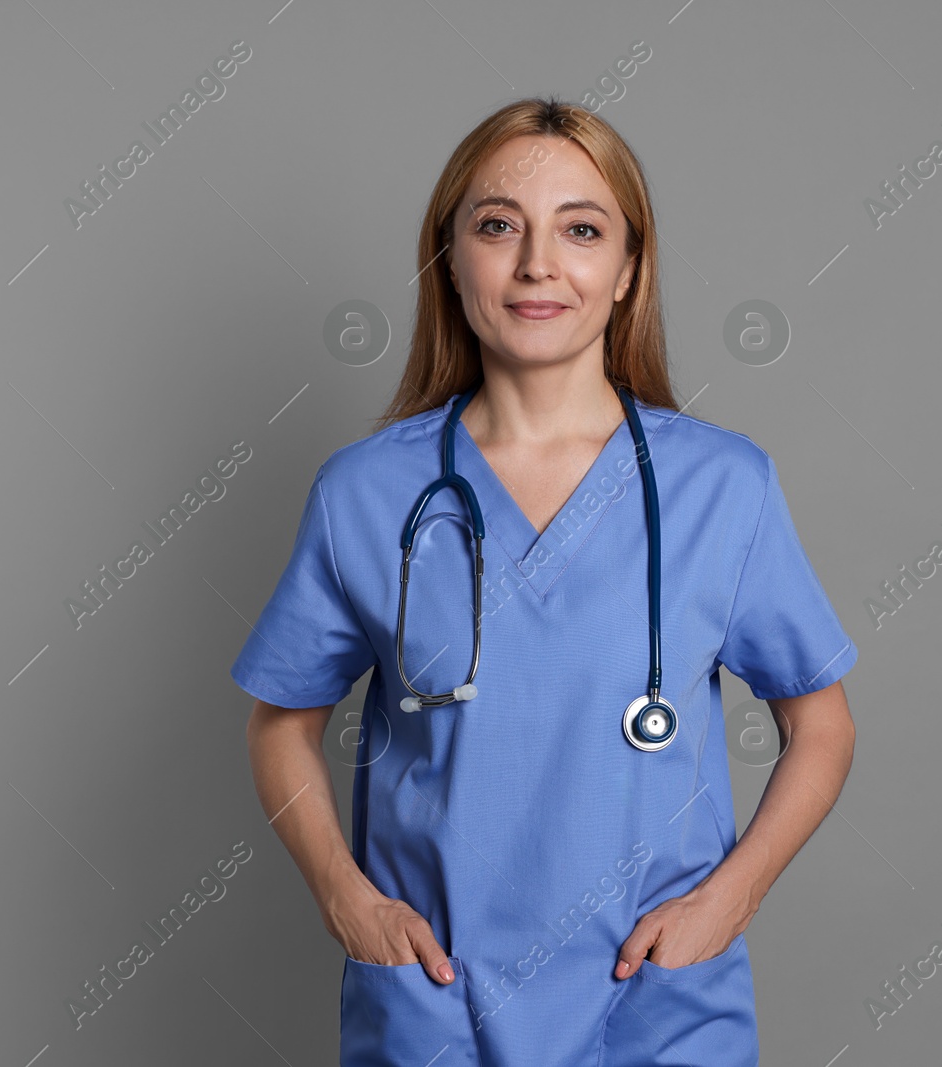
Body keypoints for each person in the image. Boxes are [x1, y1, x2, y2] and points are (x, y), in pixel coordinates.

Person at [231, 96, 858, 1066]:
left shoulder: (720, 484)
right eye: (496, 226)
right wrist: (344, 897)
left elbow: (821, 723)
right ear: (450, 260)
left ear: (626, 271)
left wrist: (728, 900)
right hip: (437, 998)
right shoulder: (366, 490)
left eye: (580, 228)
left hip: (654, 1002)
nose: (536, 263)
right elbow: (281, 720)